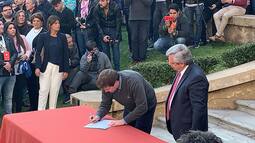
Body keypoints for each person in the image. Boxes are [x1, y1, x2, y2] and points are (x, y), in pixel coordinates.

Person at [90, 69, 157, 134]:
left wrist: (123, 121)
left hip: (146, 104)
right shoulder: (106, 85)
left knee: (141, 133)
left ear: (116, 82)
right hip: (129, 103)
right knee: (127, 130)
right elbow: (105, 104)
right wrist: (98, 115)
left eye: (108, 89)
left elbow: (142, 107)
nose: (106, 91)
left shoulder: (133, 81)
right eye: (104, 89)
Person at [165, 44, 209, 140]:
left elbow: (199, 109)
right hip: (179, 128)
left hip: (188, 131)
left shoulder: (197, 78)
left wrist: (193, 136)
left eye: (172, 63)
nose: (169, 64)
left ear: (181, 63)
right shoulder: (182, 71)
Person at [35, 15, 69, 110]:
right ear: (50, 25)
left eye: (58, 23)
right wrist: (37, 67)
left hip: (59, 68)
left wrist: (66, 70)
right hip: (46, 66)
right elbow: (38, 53)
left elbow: (66, 54)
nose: (58, 25)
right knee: (43, 90)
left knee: (54, 91)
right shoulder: (43, 36)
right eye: (55, 23)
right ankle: (40, 112)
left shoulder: (62, 37)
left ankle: (52, 113)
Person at [5, 22, 32, 113]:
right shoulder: (5, 41)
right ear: (6, 30)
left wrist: (26, 55)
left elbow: (29, 49)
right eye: (10, 28)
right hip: (11, 70)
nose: (13, 29)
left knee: (20, 91)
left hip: (21, 69)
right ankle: (11, 112)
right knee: (11, 93)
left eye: (14, 28)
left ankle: (18, 111)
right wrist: (12, 61)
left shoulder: (22, 38)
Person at [25, 12, 46, 111]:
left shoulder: (44, 33)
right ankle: (32, 105)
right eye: (34, 21)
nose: (36, 23)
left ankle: (37, 106)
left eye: (38, 21)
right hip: (28, 61)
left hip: (38, 62)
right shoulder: (30, 31)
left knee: (38, 86)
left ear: (42, 22)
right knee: (30, 85)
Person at [94, 0, 122, 71]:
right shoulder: (97, 8)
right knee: (106, 54)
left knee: (116, 54)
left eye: (102, 1)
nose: (100, 2)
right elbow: (97, 24)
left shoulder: (116, 7)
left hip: (114, 29)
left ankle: (118, 73)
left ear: (108, 1)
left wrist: (115, 37)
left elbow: (118, 23)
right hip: (103, 30)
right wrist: (103, 36)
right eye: (99, 0)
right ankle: (109, 72)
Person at [0, 20, 18, 114]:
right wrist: (4, 64)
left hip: (10, 72)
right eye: (0, 25)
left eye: (2, 24)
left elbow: (15, 52)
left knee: (9, 97)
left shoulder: (8, 38)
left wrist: (10, 63)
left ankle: (9, 118)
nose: (2, 26)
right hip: (1, 72)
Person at [62, 34, 80, 104]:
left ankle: (68, 93)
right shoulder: (61, 47)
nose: (71, 43)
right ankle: (67, 93)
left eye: (71, 41)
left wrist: (71, 62)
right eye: (68, 42)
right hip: (64, 67)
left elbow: (77, 59)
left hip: (73, 65)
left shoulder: (74, 45)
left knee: (75, 70)